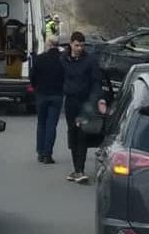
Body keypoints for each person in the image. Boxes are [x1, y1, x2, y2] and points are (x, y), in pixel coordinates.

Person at [61, 31, 107, 184]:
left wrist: (93, 101)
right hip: (70, 102)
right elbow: (58, 77)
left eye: (81, 45)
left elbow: (96, 83)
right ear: (71, 44)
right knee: (73, 133)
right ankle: (76, 169)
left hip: (85, 103)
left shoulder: (90, 61)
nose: (79, 48)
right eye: (76, 45)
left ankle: (80, 170)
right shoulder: (63, 59)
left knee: (82, 134)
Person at [29, 36, 64, 164]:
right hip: (57, 95)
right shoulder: (62, 59)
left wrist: (35, 87)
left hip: (42, 94)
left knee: (41, 124)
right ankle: (48, 154)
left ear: (48, 45)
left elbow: (32, 76)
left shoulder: (40, 58)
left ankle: (40, 152)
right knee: (51, 125)